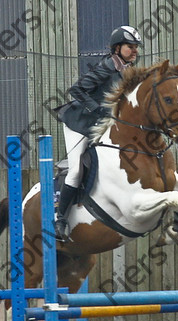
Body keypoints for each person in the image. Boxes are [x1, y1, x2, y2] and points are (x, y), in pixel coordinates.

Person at [55, 26, 142, 241]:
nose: (134, 51)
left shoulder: (127, 69)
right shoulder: (106, 67)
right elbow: (76, 90)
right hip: (80, 124)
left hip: (101, 124)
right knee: (76, 170)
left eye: (136, 47)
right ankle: (60, 219)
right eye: (130, 47)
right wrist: (97, 109)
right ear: (117, 48)